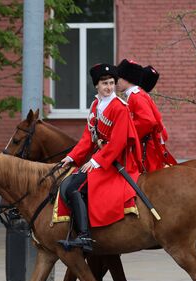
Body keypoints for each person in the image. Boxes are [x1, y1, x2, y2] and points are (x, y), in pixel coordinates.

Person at [58, 63, 142, 252]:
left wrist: (95, 161)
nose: (109, 87)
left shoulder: (120, 107)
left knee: (74, 188)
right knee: (71, 181)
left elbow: (118, 142)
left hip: (116, 162)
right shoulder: (96, 105)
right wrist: (71, 157)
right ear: (97, 85)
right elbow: (88, 138)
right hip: (103, 158)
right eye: (104, 83)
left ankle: (85, 236)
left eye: (112, 83)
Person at [117, 59, 176, 172]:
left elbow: (148, 121)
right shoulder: (136, 94)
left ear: (127, 79)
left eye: (119, 78)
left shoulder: (136, 96)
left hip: (147, 148)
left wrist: (125, 131)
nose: (117, 82)